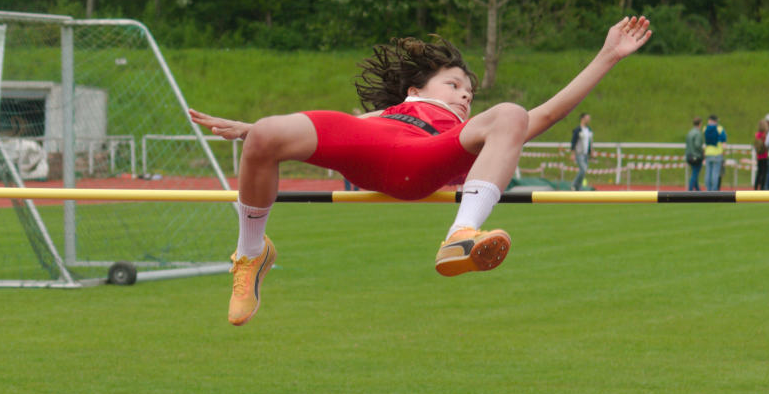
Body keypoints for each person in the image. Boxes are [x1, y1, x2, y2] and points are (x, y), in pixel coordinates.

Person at [186, 17, 653, 324]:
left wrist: (607, 55)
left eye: (469, 92)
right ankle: (251, 254)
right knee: (265, 135)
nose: (465, 95)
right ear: (416, 88)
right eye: (454, 85)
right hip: (372, 145)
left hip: (427, 155)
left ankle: (462, 234)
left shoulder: (462, 128)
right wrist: (254, 129)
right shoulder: (383, 113)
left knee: (512, 113)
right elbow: (340, 127)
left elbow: (547, 114)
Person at [702, 114, 728, 191]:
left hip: (708, 153)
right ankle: (714, 191)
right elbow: (724, 141)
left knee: (708, 173)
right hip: (717, 153)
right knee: (715, 173)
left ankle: (708, 189)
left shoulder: (705, 128)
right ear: (715, 121)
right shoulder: (720, 129)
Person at [570, 114, 593, 190]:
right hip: (579, 153)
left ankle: (578, 187)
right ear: (582, 119)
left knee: (583, 171)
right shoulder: (578, 130)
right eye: (587, 118)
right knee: (583, 169)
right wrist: (573, 154)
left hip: (586, 154)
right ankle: (574, 185)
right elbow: (573, 142)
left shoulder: (589, 130)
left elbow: (590, 142)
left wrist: (591, 151)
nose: (589, 120)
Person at [684, 117, 704, 191]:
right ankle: (690, 191)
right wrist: (702, 151)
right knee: (694, 174)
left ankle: (698, 191)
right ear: (700, 124)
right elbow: (698, 145)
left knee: (694, 174)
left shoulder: (690, 132)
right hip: (696, 156)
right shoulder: (698, 133)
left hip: (689, 156)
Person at [752, 118, 769, 190]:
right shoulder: (765, 135)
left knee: (759, 172)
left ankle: (756, 187)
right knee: (764, 173)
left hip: (759, 156)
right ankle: (762, 188)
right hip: (765, 155)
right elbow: (767, 145)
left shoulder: (757, 134)